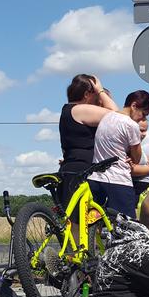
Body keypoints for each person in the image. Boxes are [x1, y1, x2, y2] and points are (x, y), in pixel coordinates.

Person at [88, 90, 149, 217]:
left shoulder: (106, 117)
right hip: (118, 180)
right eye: (143, 114)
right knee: (127, 227)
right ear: (134, 106)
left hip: (95, 178)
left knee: (96, 224)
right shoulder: (130, 125)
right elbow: (137, 158)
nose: (143, 118)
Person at [57, 74, 120, 209]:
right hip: (83, 169)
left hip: (70, 167)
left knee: (74, 221)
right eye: (95, 95)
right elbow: (116, 115)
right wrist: (101, 91)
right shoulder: (79, 109)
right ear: (86, 94)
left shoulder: (67, 111)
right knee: (82, 219)